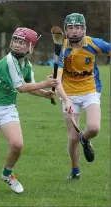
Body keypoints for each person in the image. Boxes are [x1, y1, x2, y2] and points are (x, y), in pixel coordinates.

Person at [0, 27, 59, 194]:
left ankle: (7, 174)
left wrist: (44, 94)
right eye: (15, 41)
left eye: (22, 42)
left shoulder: (26, 65)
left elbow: (31, 86)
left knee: (17, 144)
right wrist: (45, 84)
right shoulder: (9, 61)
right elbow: (21, 88)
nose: (17, 45)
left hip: (7, 107)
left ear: (31, 47)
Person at [55, 13, 110, 180]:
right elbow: (57, 80)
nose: (75, 31)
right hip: (69, 94)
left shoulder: (94, 43)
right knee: (72, 138)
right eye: (70, 28)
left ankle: (85, 139)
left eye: (78, 27)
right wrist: (66, 100)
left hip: (90, 90)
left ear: (84, 29)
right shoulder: (62, 48)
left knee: (93, 128)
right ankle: (75, 170)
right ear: (65, 31)